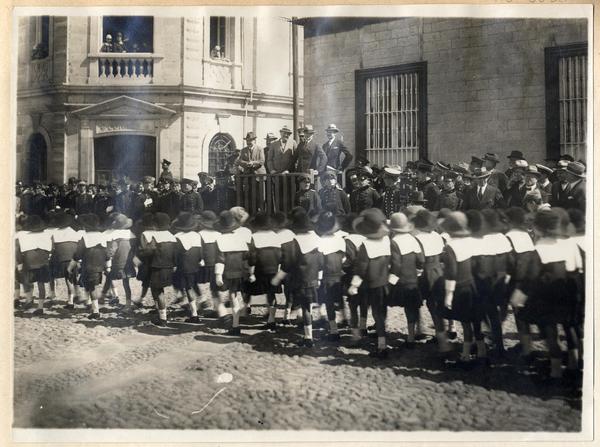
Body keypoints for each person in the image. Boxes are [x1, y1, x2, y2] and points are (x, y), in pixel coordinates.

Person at [272, 208, 323, 348]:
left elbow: (287, 263)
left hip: (299, 279)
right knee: (308, 306)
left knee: (302, 306)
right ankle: (307, 329)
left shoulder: (293, 243)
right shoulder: (316, 239)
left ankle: (308, 337)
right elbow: (321, 261)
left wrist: (278, 277)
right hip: (313, 278)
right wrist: (319, 276)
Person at [348, 209, 391, 358]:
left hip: (370, 284)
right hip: (384, 282)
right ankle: (382, 344)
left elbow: (361, 268)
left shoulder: (366, 245)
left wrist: (354, 286)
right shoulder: (386, 241)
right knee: (380, 314)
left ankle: (375, 344)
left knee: (371, 311)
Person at [440, 211, 480, 364]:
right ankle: (478, 351)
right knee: (472, 321)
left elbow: (451, 273)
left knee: (464, 321)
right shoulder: (470, 241)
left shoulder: (450, 246)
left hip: (459, 287)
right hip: (471, 284)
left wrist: (448, 294)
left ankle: (465, 355)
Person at [412, 210, 451, 352]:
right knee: (436, 304)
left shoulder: (417, 237)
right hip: (438, 271)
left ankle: (419, 330)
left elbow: (419, 260)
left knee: (417, 302)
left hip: (424, 273)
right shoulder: (437, 236)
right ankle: (440, 334)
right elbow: (441, 255)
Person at [388, 212, 424, 347]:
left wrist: (391, 282)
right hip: (413, 279)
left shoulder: (394, 242)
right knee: (412, 307)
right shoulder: (413, 239)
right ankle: (411, 336)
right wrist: (418, 271)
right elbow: (421, 260)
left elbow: (396, 265)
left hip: (401, 279)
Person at [214, 210, 250, 336]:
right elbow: (246, 258)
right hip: (240, 273)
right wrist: (250, 273)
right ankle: (236, 323)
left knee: (232, 297)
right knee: (235, 297)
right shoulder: (240, 239)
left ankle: (234, 325)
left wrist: (218, 275)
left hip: (228, 273)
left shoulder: (220, 239)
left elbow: (220, 259)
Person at [68, 214, 110, 320]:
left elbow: (78, 254)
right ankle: (90, 304)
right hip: (99, 265)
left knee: (91, 287)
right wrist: (108, 267)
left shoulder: (85, 238)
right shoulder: (102, 236)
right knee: (92, 285)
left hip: (88, 265)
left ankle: (95, 310)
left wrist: (70, 266)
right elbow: (107, 254)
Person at [315, 211, 347, 341]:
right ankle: (344, 319)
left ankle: (334, 330)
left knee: (328, 302)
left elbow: (320, 263)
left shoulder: (321, 241)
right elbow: (344, 258)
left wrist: (318, 277)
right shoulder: (340, 239)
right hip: (339, 273)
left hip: (327, 275)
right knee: (339, 299)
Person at [247, 212, 281, 330]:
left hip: (261, 268)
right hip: (274, 268)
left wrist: (251, 272)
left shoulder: (255, 236)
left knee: (263, 291)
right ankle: (271, 318)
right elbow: (280, 254)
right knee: (271, 293)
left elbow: (252, 257)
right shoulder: (275, 235)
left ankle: (247, 308)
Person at [15, 215, 52, 314]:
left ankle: (29, 299)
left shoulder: (22, 235)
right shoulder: (47, 235)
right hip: (42, 261)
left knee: (27, 281)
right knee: (41, 284)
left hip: (29, 261)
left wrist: (20, 262)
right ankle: (40, 307)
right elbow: (52, 248)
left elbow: (17, 251)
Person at [172, 212, 204, 324]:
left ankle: (194, 314)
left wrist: (174, 265)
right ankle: (198, 302)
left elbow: (175, 254)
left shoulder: (177, 237)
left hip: (183, 266)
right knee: (191, 285)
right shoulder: (197, 235)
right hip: (195, 265)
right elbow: (200, 251)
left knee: (188, 288)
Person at [49, 211, 83, 309]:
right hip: (74, 258)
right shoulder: (74, 232)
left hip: (62, 258)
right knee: (73, 278)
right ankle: (77, 295)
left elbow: (52, 248)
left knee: (68, 280)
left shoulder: (55, 233)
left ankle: (70, 301)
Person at [102, 213, 136, 308]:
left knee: (109, 275)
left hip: (118, 263)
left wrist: (107, 256)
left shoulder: (113, 236)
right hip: (128, 262)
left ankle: (113, 295)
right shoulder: (130, 235)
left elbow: (111, 251)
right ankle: (128, 303)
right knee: (126, 283)